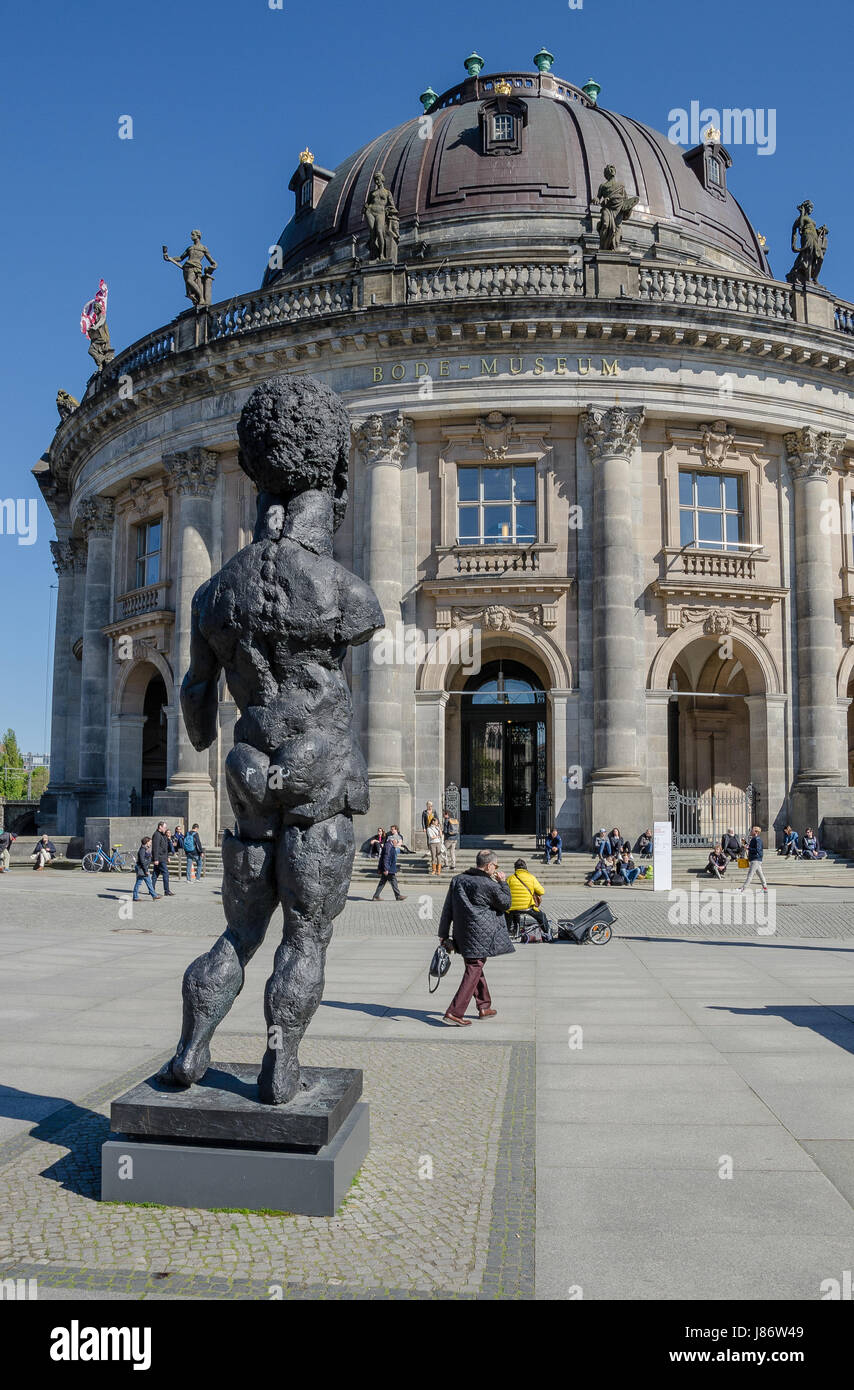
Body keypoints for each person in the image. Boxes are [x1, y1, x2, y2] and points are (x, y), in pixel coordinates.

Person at [438, 849, 512, 1026]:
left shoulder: (457, 880)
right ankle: (455, 1012)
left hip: (462, 934)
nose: (496, 870)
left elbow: (447, 908)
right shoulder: (490, 884)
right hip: (482, 934)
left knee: (475, 967)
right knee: (474, 968)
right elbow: (506, 904)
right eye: (495, 866)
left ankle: (484, 1006)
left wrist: (443, 934)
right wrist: (503, 883)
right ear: (489, 866)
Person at [507, 858, 550, 936]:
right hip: (527, 907)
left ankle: (510, 930)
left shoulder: (510, 878)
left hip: (512, 908)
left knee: (508, 914)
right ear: (526, 868)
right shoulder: (531, 877)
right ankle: (547, 932)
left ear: (515, 868)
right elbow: (542, 891)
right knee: (542, 916)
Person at [372, 827, 406, 901]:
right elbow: (386, 858)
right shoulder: (388, 846)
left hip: (388, 867)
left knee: (383, 882)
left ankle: (376, 896)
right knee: (393, 881)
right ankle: (398, 896)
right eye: (396, 841)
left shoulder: (391, 846)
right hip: (388, 868)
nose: (396, 843)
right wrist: (386, 868)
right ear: (392, 840)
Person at [740, 825, 768, 892]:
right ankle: (765, 888)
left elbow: (757, 850)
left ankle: (743, 888)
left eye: (751, 830)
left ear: (756, 832)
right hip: (756, 859)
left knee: (750, 874)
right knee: (760, 874)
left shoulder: (757, 839)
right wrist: (746, 844)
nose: (750, 831)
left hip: (756, 859)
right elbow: (753, 847)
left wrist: (748, 848)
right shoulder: (754, 839)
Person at [151, 821, 175, 896]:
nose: (165, 829)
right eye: (164, 827)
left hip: (163, 857)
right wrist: (156, 859)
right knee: (166, 873)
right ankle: (166, 891)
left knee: (155, 874)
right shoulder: (156, 835)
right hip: (159, 858)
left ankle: (151, 889)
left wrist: (167, 856)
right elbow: (155, 848)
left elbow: (165, 847)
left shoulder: (163, 835)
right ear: (160, 827)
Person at [133, 836, 160, 902]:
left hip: (144, 868)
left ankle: (154, 896)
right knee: (138, 883)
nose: (151, 843)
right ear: (146, 842)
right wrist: (145, 871)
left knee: (149, 882)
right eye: (150, 842)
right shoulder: (142, 850)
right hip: (141, 868)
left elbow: (147, 859)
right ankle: (135, 897)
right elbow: (142, 861)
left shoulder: (145, 849)